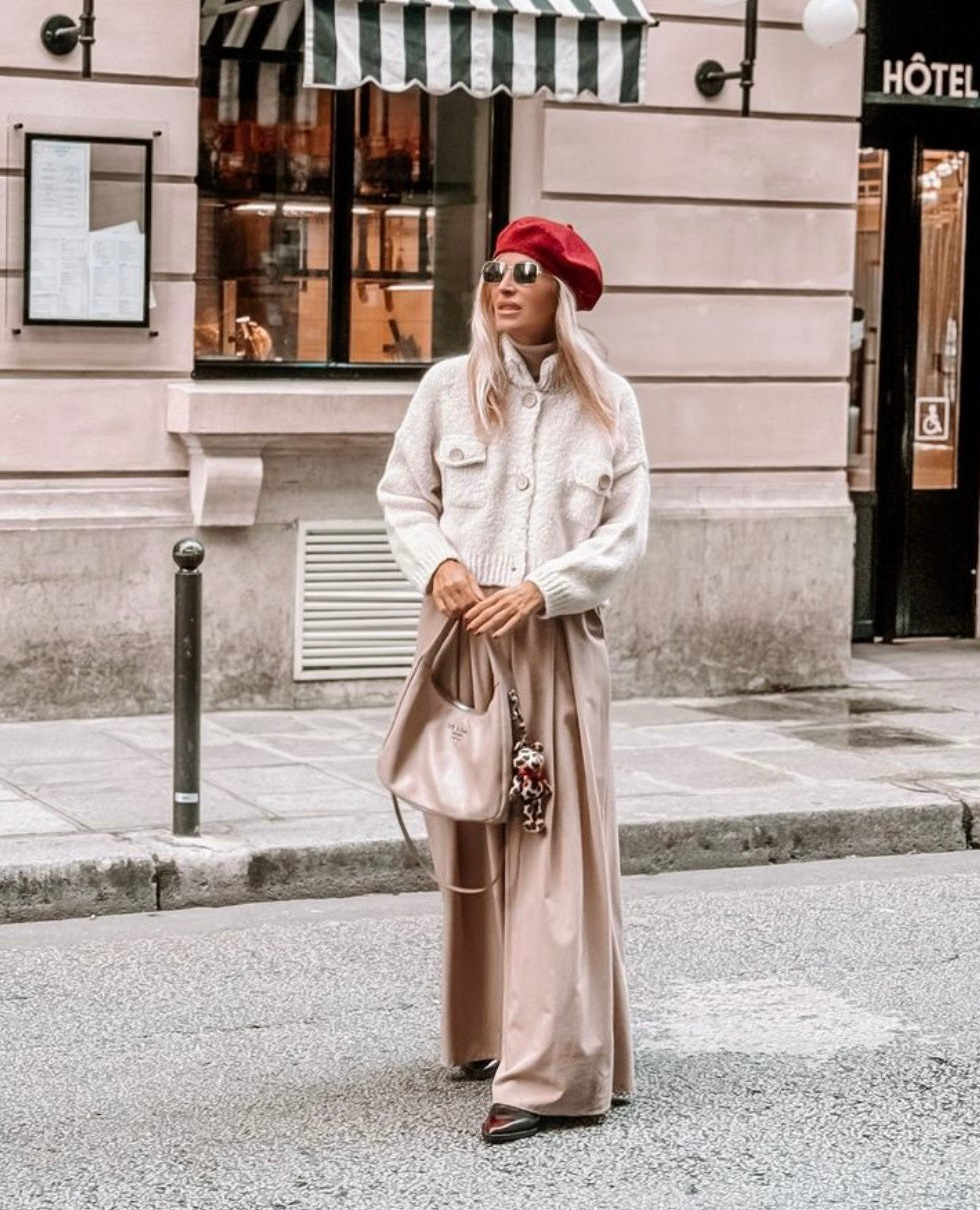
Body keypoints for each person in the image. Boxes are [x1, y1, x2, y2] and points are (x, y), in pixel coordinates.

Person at [376, 216, 651, 1143]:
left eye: (523, 274)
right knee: (470, 837)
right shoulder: (447, 388)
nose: (500, 286)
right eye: (493, 269)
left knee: (553, 850)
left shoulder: (609, 400)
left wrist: (544, 586)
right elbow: (402, 495)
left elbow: (625, 533)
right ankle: (487, 1030)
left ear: (560, 296)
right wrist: (440, 566)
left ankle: (552, 1075)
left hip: (555, 642)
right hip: (461, 632)